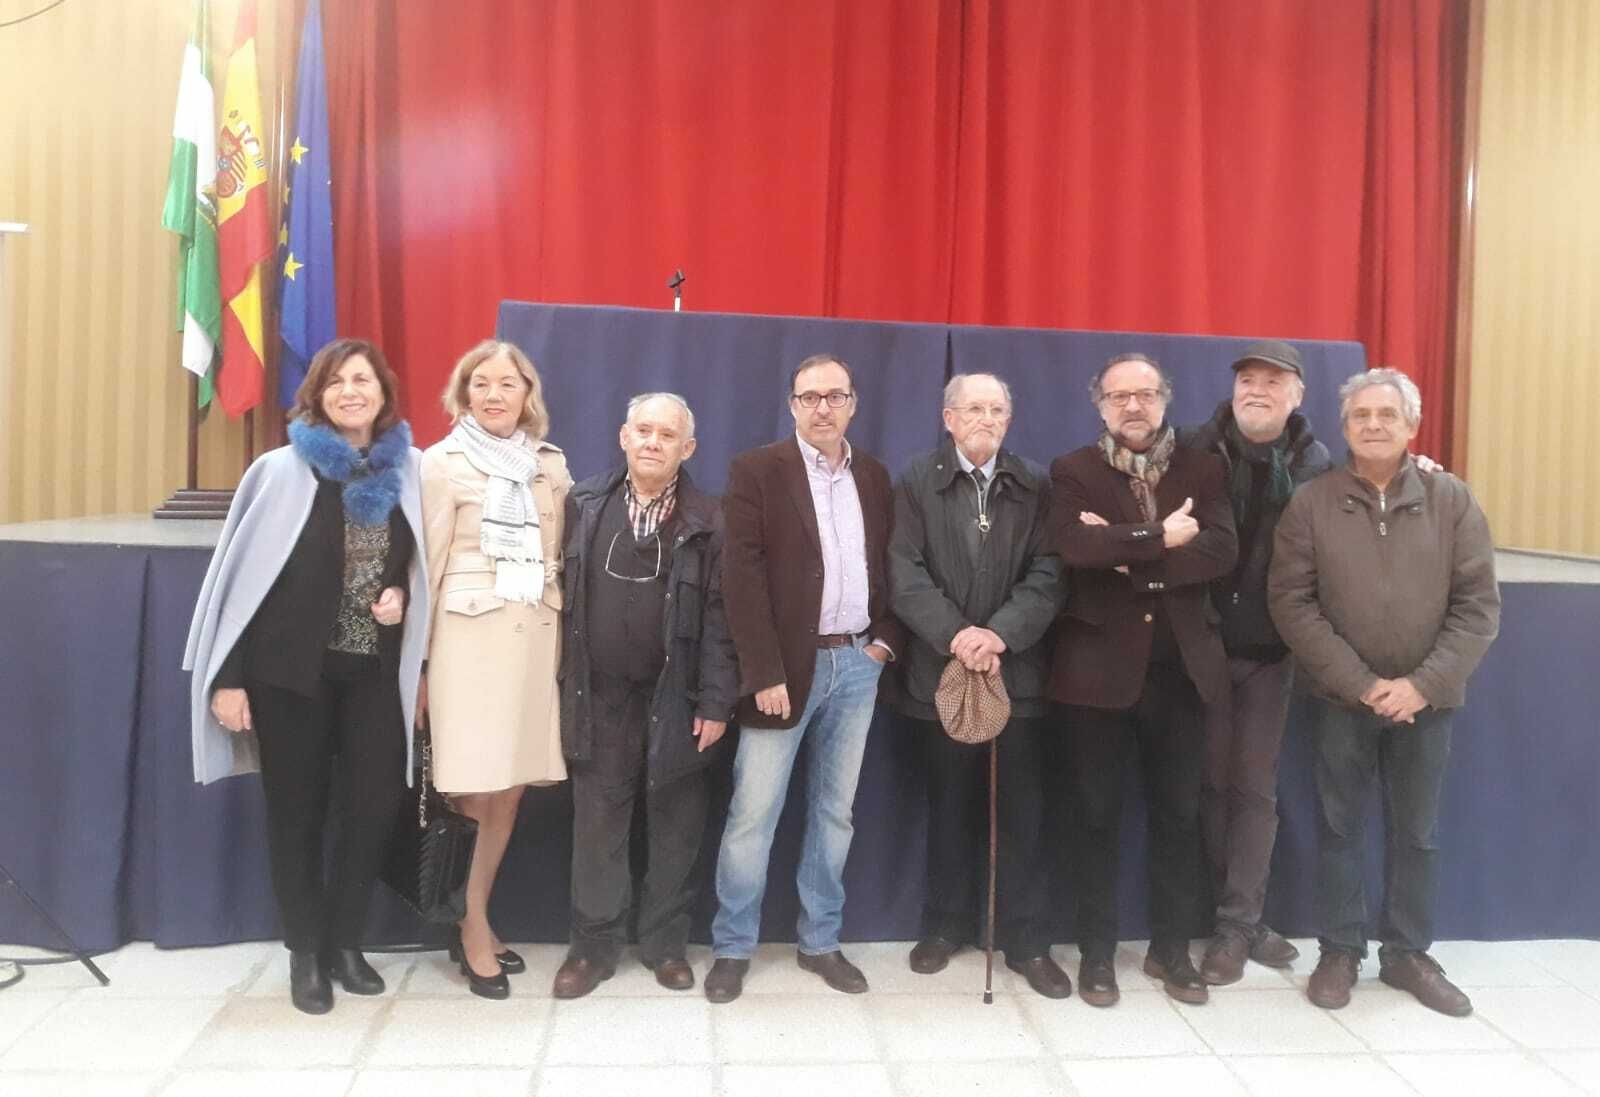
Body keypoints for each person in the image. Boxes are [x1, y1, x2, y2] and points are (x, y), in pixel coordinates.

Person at [185, 338, 427, 1015]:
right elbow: (240, 583)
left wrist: (402, 595)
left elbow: (419, 563)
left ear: (383, 393)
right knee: (296, 814)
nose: (352, 391)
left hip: (373, 670)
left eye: (364, 379)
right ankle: (305, 953)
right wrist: (228, 678)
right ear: (317, 394)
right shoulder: (280, 471)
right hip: (287, 673)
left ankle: (346, 941)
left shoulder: (411, 469)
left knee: (372, 807)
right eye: (337, 381)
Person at [1269, 367, 1499, 1016]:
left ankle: (1407, 954)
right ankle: (1340, 950)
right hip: (1340, 700)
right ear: (1344, 427)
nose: (1373, 425)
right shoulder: (1311, 503)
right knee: (1340, 828)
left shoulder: (1452, 500)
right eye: (1361, 415)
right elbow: (1291, 603)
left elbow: (1478, 606)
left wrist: (1421, 686)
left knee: (1417, 833)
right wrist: (1363, 684)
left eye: (1386, 415)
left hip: (1427, 703)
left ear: (1412, 425)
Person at [705, 353, 904, 1003]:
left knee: (835, 813)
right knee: (753, 813)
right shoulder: (757, 470)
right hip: (784, 670)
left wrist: (883, 644)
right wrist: (764, 670)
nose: (823, 407)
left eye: (835, 396)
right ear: (792, 404)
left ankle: (820, 940)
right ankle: (733, 945)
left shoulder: (873, 475)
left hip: (858, 665)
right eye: (810, 396)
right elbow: (741, 578)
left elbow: (891, 563)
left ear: (853, 404)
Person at [1048, 352, 1237, 1007]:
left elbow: (1220, 551)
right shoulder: (1072, 470)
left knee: (1179, 818)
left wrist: (1130, 554)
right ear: (1099, 404)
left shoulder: (1204, 468)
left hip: (1182, 676)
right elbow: (1077, 548)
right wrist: (1163, 535)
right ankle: (1097, 954)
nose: (1133, 406)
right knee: (1096, 818)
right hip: (1095, 680)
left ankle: (1171, 951)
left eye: (1146, 394)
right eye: (1119, 395)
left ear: (1165, 400)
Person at [888, 372, 1070, 998]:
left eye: (997, 409)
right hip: (940, 674)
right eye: (973, 408)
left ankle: (1026, 941)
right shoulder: (916, 480)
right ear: (948, 418)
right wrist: (958, 636)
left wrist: (999, 635)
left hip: (1017, 674)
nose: (985, 419)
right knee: (950, 807)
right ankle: (945, 926)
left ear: (1009, 420)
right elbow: (904, 572)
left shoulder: (1037, 483)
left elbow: (1050, 572)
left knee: (1023, 815)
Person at [553, 392, 738, 998]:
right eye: (644, 431)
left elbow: (723, 619)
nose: (654, 443)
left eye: (668, 435)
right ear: (623, 437)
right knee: (596, 827)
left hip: (678, 699)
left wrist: (716, 702)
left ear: (688, 448)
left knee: (677, 828)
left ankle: (665, 947)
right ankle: (593, 950)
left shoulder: (711, 519)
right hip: (599, 696)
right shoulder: (582, 504)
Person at [419, 339, 571, 999]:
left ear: (527, 393)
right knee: (473, 791)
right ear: (464, 393)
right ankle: (471, 924)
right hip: (467, 642)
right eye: (481, 383)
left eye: (507, 383)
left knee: (509, 789)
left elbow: (560, 552)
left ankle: (475, 912)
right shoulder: (440, 463)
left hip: (534, 638)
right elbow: (427, 565)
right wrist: (419, 666)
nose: (494, 394)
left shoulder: (550, 464)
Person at [1178, 341, 1331, 985]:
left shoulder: (1318, 466)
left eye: (1272, 380)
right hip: (1203, 646)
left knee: (1254, 789)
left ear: (1297, 395)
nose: (1257, 390)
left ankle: (1238, 926)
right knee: (1212, 785)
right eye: (1247, 379)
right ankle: (1235, 918)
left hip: (1271, 653)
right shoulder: (1192, 450)